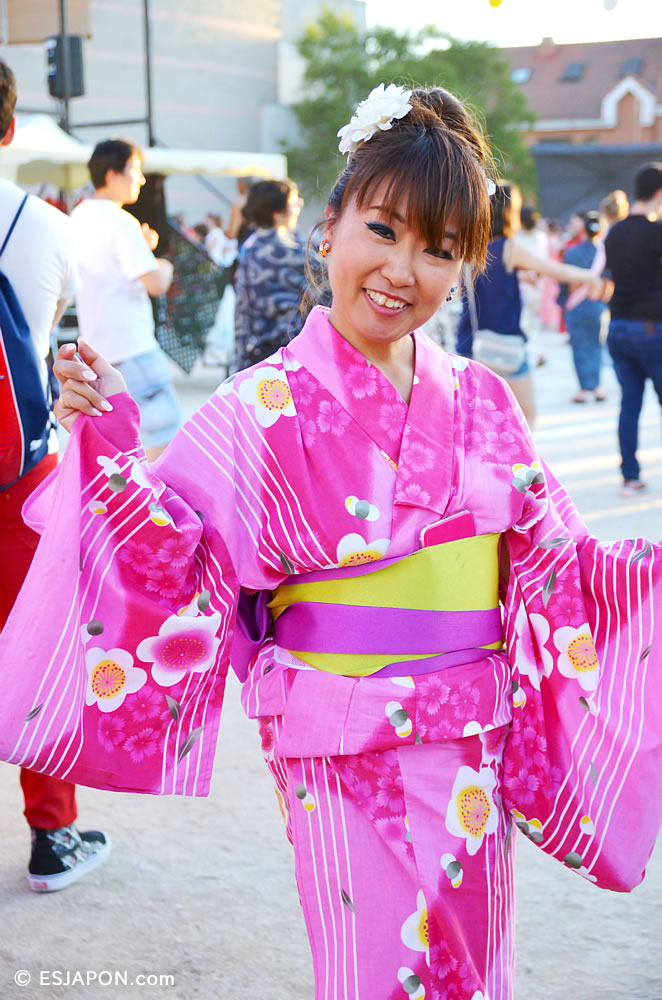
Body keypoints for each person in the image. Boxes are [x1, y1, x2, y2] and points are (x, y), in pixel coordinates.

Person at [1, 84, 661, 1000]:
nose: (404, 268)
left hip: (469, 736)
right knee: (371, 975)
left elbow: (568, 575)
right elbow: (170, 555)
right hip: (332, 744)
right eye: (384, 229)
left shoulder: (482, 403)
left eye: (439, 250)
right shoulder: (256, 407)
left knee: (473, 971)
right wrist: (105, 435)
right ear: (330, 225)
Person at [0, 57, 111, 892]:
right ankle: (53, 837)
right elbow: (75, 337)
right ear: (8, 129)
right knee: (34, 653)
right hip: (19, 477)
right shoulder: (44, 224)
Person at [455, 182, 605, 426]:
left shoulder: (469, 246)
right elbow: (555, 270)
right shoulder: (508, 248)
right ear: (508, 212)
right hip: (506, 343)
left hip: (470, 345)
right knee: (526, 420)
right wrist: (590, 276)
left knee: (478, 425)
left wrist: (517, 276)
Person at [70, 139, 180, 461]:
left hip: (97, 354)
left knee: (117, 453)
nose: (141, 179)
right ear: (114, 173)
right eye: (135, 170)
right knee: (164, 451)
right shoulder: (120, 221)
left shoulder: (79, 216)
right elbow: (157, 283)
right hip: (134, 351)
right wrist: (163, 260)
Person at [605, 162, 662, 497]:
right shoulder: (656, 232)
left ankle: (630, 476)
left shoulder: (615, 232)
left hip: (618, 328)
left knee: (630, 405)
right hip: (651, 328)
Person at [233, 178, 306, 369]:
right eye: (293, 202)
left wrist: (240, 365)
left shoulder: (251, 248)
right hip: (299, 356)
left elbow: (243, 312)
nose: (300, 205)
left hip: (264, 359)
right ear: (277, 214)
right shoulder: (299, 252)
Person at [560, 211, 608, 403]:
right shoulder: (605, 253)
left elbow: (564, 280)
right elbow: (608, 281)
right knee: (596, 345)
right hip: (597, 304)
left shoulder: (572, 252)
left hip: (575, 304)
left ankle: (584, 388)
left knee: (579, 346)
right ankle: (596, 386)